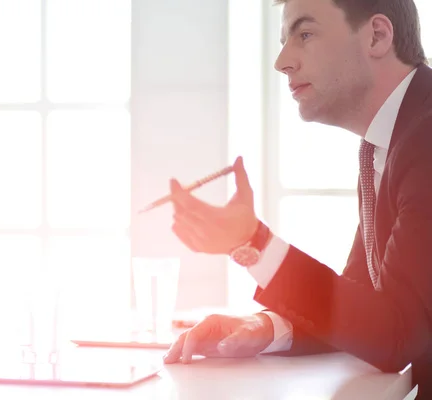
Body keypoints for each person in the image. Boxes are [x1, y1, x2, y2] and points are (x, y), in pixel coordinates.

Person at [163, 0, 432, 397]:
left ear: (377, 35)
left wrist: (255, 242)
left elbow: (396, 335)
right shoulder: (388, 142)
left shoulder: (424, 140)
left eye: (304, 34)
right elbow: (366, 308)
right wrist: (266, 328)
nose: (282, 61)